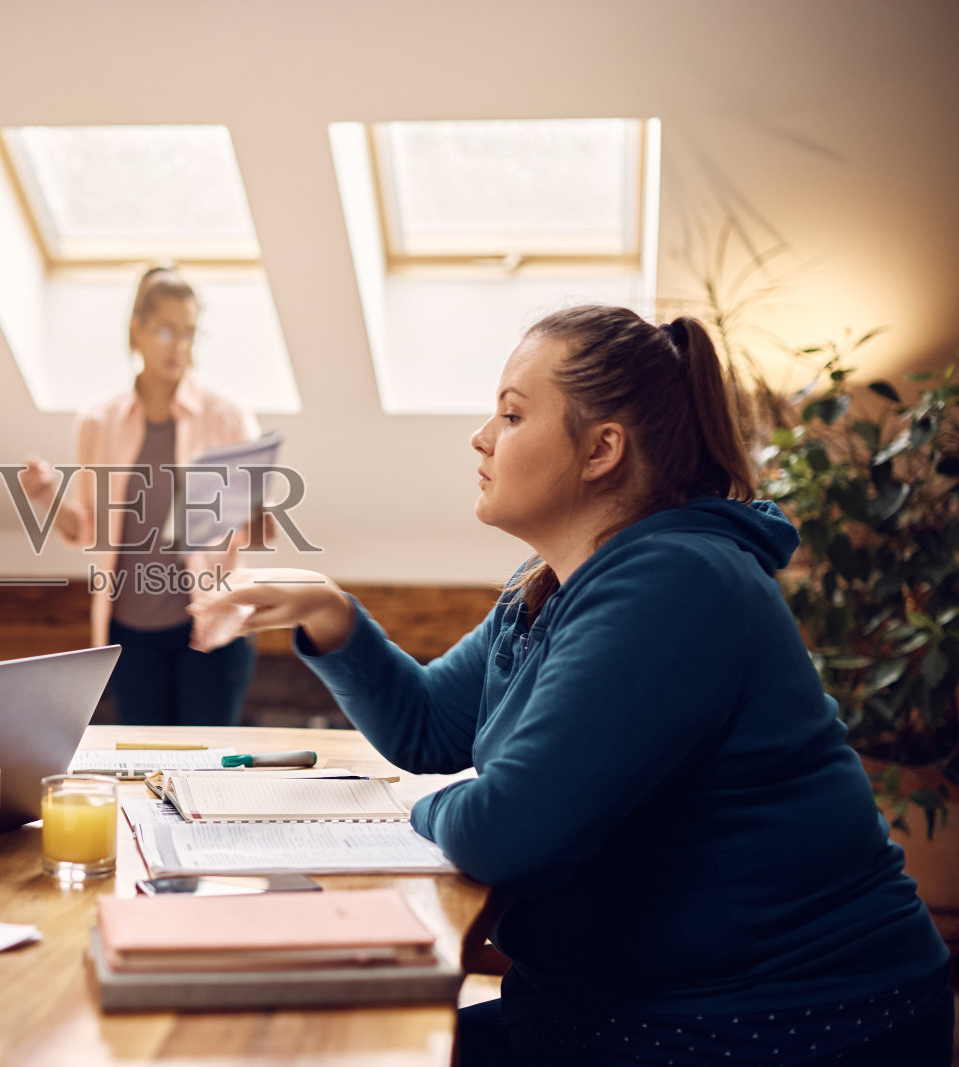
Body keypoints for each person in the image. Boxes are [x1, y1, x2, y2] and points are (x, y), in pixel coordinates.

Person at [192, 305, 953, 1066]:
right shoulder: (554, 586)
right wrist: (333, 617)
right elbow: (428, 725)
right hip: (628, 1006)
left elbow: (506, 832)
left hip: (783, 1024)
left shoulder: (676, 585)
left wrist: (412, 811)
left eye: (512, 413)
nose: (481, 436)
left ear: (602, 449)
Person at [23, 266, 261, 725]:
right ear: (138, 330)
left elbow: (249, 531)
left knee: (204, 773)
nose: (180, 346)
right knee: (145, 770)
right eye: (168, 330)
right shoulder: (98, 421)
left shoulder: (227, 416)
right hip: (128, 633)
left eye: (190, 332)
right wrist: (48, 497)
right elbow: (88, 530)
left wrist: (255, 509)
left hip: (210, 629)